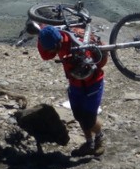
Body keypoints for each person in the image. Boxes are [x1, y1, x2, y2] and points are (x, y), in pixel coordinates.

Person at [37, 24, 107, 156]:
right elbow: (46, 56)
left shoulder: (77, 42)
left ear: (58, 42)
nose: (52, 52)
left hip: (93, 84)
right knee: (79, 115)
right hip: (75, 83)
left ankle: (100, 137)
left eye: (53, 49)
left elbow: (98, 62)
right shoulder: (53, 39)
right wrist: (40, 37)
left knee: (89, 119)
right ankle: (89, 143)